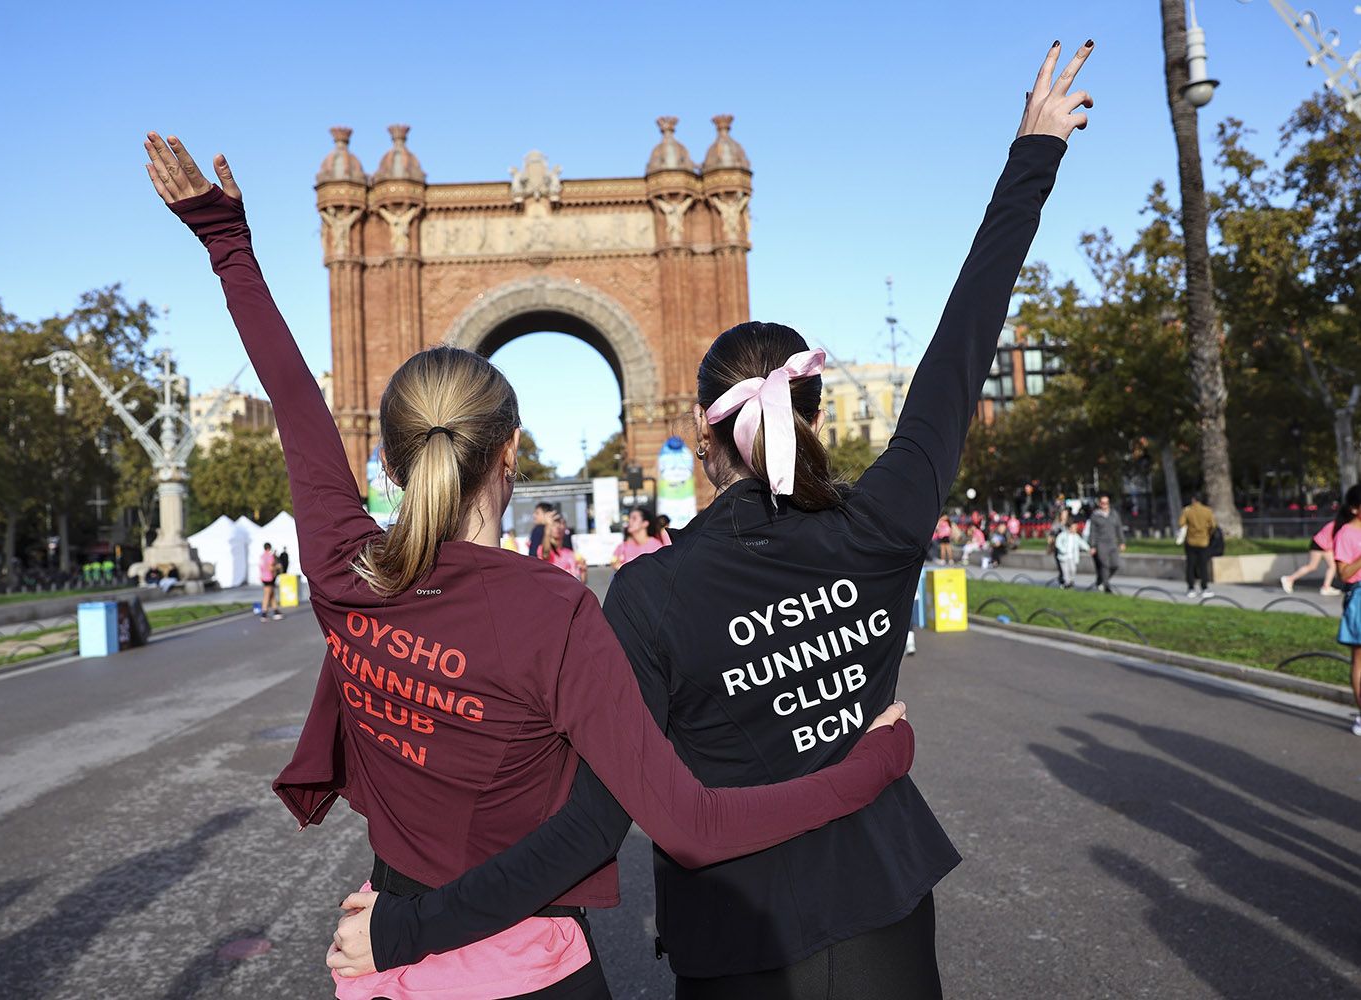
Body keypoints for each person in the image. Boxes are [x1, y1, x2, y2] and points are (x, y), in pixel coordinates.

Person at [348, 41, 1092, 998]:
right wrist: (1033, 151)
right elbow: (962, 349)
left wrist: (410, 924)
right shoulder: (887, 525)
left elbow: (588, 823)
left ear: (701, 440)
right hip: (890, 916)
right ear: (814, 414)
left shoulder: (649, 596)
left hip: (736, 943)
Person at [146, 130, 915, 1000]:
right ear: (512, 450)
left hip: (379, 962)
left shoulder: (340, 572)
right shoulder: (555, 612)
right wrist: (870, 766)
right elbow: (687, 823)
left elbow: (298, 407)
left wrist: (228, 245)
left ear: (391, 465)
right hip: (527, 967)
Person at [1325, 484, 1361, 736]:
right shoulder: (1346, 534)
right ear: (1355, 508)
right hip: (1359, 597)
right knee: (1360, 659)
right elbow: (1343, 573)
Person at [1281, 520, 1341, 597]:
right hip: (1319, 544)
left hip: (1325, 545)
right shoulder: (1341, 524)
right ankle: (1289, 579)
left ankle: (1326, 587)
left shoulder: (1339, 523)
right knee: (1312, 566)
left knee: (1332, 566)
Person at [1178, 492, 1218, 598]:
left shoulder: (1187, 511)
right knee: (1203, 565)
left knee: (1190, 565)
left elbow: (1181, 523)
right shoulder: (1207, 511)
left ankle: (1191, 588)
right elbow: (1213, 525)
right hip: (1204, 542)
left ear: (1193, 500)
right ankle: (1204, 587)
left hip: (1190, 542)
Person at [1086, 492, 1125, 592]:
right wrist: (1093, 546)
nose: (1105, 505)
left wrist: (1122, 542)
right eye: (1103, 503)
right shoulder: (1095, 516)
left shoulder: (1114, 514)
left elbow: (1119, 528)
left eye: (1106, 503)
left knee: (1115, 565)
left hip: (1112, 543)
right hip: (1101, 544)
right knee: (1105, 566)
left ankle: (1101, 580)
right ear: (1099, 504)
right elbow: (1092, 532)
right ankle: (1106, 587)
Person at [611, 506, 665, 570]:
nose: (629, 521)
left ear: (645, 523)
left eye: (634, 518)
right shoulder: (622, 546)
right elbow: (614, 563)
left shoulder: (656, 547)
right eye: (629, 518)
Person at [539, 512, 584, 581]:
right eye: (554, 524)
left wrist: (584, 571)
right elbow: (545, 554)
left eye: (561, 523)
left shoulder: (571, 553)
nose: (558, 526)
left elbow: (581, 581)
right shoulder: (543, 549)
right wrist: (547, 527)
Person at [1051, 508, 1089, 588]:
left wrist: (1088, 548)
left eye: (1066, 514)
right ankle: (1065, 582)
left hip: (1072, 555)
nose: (1064, 516)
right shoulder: (1058, 525)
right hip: (1062, 553)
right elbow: (1056, 538)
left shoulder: (1071, 526)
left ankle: (1070, 581)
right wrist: (1061, 549)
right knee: (1064, 570)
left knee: (1072, 569)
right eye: (1063, 514)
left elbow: (1081, 542)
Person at [257, 542, 281, 621]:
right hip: (269, 577)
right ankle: (264, 613)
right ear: (269, 548)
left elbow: (261, 567)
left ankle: (276, 611)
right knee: (267, 595)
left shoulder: (262, 556)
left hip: (263, 577)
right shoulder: (270, 556)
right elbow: (270, 568)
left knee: (272, 594)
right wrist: (277, 567)